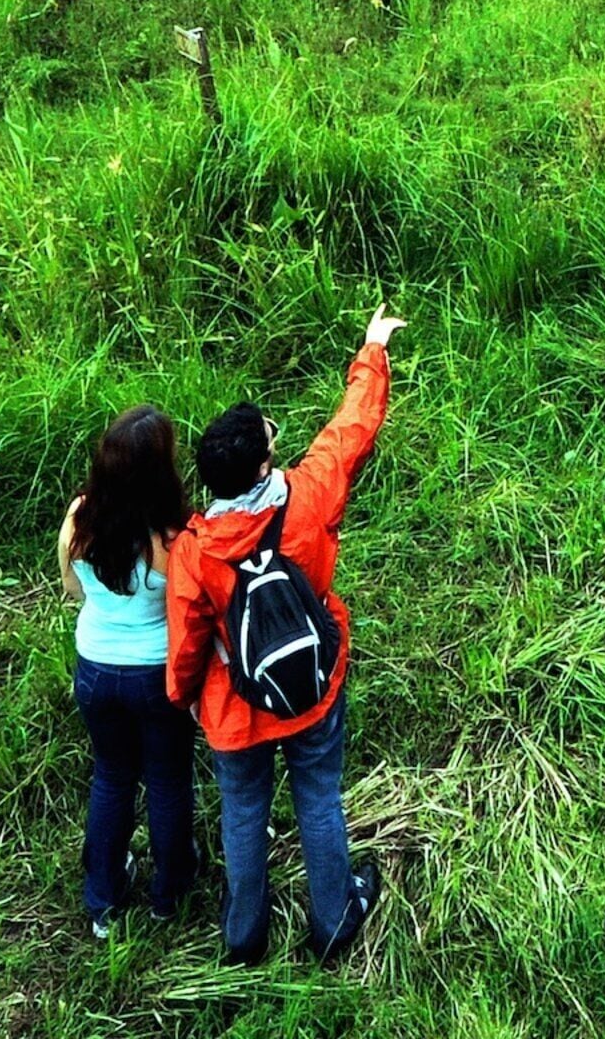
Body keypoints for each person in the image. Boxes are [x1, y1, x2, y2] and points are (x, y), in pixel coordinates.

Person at [167, 302, 402, 964]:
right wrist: (372, 348)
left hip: (235, 711)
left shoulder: (194, 551)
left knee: (242, 811)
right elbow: (350, 428)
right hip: (313, 689)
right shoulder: (308, 497)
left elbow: (185, 642)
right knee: (318, 796)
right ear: (265, 468)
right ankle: (334, 922)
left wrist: (185, 696)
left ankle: (244, 938)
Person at [58, 406, 200, 939]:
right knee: (167, 780)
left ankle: (103, 900)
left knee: (112, 778)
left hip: (96, 667)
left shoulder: (80, 516)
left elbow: (72, 588)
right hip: (157, 675)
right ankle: (170, 894)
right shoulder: (174, 536)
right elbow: (190, 610)